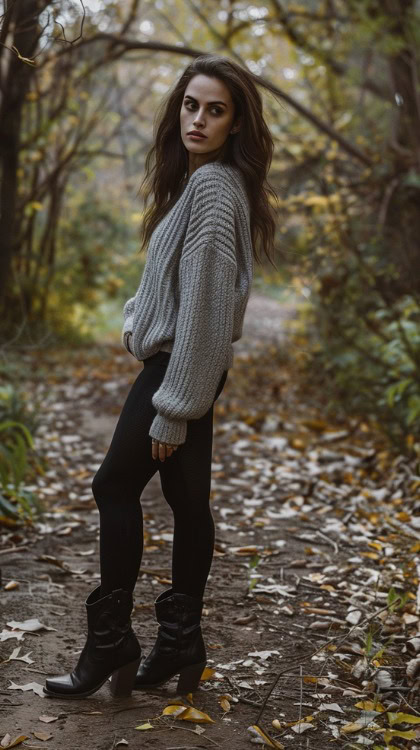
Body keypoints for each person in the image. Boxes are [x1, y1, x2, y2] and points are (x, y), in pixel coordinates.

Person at [44, 53, 277, 700]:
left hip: (179, 368)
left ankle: (113, 643)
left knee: (113, 486)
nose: (198, 119)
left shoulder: (210, 190)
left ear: (237, 124)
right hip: (186, 365)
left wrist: (174, 404)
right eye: (190, 105)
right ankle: (180, 645)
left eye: (216, 110)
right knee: (186, 503)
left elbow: (206, 311)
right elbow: (183, 292)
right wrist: (135, 319)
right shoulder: (213, 184)